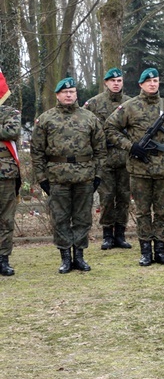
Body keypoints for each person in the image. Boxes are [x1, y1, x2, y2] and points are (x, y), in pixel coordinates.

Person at [105, 68, 164, 266]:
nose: (153, 84)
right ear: (141, 84)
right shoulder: (129, 106)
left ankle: (160, 249)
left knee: (162, 211)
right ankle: (146, 251)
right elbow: (110, 128)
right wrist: (130, 146)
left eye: (156, 80)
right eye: (148, 81)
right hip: (139, 169)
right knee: (142, 211)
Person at [31, 77, 106, 273]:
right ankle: (65, 257)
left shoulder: (90, 118)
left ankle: (79, 256)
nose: (68, 94)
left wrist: (98, 175)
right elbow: (37, 152)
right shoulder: (46, 119)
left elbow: (100, 150)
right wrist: (42, 178)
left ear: (76, 94)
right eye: (65, 92)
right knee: (60, 218)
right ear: (57, 95)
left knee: (82, 218)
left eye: (72, 91)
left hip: (85, 177)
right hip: (57, 178)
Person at [83, 67, 132, 250]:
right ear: (106, 83)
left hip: (125, 158)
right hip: (105, 158)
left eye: (119, 80)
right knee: (107, 197)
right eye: (113, 81)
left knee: (124, 197)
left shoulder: (130, 103)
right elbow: (85, 128)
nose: (116, 83)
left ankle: (120, 234)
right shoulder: (93, 104)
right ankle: (107, 235)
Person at [0, 93, 21, 276]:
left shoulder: (10, 112)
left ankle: (3, 259)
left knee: (6, 219)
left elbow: (12, 131)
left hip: (5, 173)